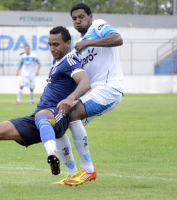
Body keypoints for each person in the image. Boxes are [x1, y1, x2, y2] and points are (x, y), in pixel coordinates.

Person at [0, 26, 91, 187]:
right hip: (40, 118)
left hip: (58, 115)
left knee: (42, 116)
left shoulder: (69, 60)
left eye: (56, 44)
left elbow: (85, 82)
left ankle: (51, 155)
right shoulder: (58, 61)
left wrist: (71, 98)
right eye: (49, 45)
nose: (52, 49)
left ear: (68, 43)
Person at [53, 3, 124, 186]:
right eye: (74, 19)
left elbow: (118, 38)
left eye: (81, 17)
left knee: (72, 113)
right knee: (59, 123)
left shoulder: (98, 26)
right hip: (94, 91)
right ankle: (72, 173)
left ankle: (89, 170)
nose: (78, 21)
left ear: (90, 17)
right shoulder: (78, 45)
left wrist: (88, 42)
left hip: (110, 87)